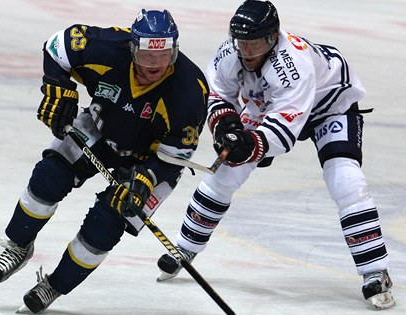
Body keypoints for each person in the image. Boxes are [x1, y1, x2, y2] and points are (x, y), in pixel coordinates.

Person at [156, 0, 395, 310]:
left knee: (346, 179)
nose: (246, 50)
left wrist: (252, 144)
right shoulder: (229, 52)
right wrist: (225, 124)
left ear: (272, 38)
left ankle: (375, 271)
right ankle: (184, 249)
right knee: (227, 172)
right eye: (241, 41)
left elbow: (284, 131)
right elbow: (218, 94)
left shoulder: (294, 64)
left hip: (329, 106)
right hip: (270, 101)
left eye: (254, 43)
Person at [0, 9, 209, 313]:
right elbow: (56, 46)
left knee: (108, 222)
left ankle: (55, 285)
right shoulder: (107, 47)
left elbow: (175, 156)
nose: (155, 64)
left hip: (150, 161)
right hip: (100, 128)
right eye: (147, 56)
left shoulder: (190, 90)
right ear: (132, 47)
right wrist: (57, 86)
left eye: (164, 55)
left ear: (175, 50)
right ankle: (18, 246)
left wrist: (146, 180)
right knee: (49, 176)